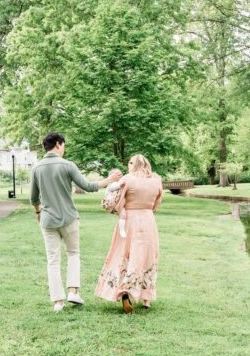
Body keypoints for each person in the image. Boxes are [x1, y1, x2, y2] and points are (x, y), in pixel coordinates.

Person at [30, 132, 121, 312]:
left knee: (53, 260)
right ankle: (73, 291)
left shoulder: (37, 168)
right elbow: (88, 186)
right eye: (63, 145)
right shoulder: (67, 165)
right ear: (58, 144)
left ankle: (58, 302)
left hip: (48, 220)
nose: (64, 149)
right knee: (73, 253)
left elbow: (33, 198)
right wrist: (110, 180)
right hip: (69, 218)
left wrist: (39, 212)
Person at [95, 154, 163, 313]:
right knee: (147, 256)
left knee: (124, 254)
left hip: (129, 221)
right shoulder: (156, 181)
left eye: (130, 162)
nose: (128, 165)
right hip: (148, 220)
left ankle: (125, 289)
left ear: (135, 164)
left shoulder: (128, 179)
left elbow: (111, 203)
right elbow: (156, 205)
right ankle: (146, 298)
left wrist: (121, 208)